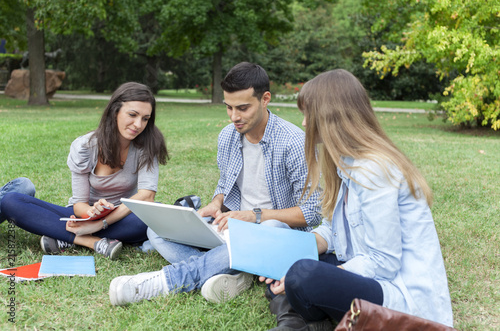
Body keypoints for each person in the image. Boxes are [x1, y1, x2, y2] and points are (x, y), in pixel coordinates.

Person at [108, 62, 323, 310]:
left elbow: (312, 213)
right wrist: (216, 203)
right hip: (234, 229)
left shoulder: (295, 142)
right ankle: (237, 270)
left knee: (270, 227)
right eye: (229, 107)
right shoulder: (227, 136)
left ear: (265, 99)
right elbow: (225, 183)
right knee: (156, 232)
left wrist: (254, 216)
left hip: (274, 231)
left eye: (243, 108)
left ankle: (167, 281)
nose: (234, 117)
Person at [260, 69, 454, 329]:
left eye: (308, 114)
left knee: (302, 275)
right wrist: (294, 249)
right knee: (284, 251)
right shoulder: (345, 163)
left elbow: (384, 262)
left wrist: (322, 273)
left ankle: (296, 314)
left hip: (397, 294)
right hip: (364, 268)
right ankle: (305, 321)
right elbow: (334, 231)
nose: (304, 123)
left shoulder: (374, 169)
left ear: (330, 115)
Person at [1, 82, 168, 260]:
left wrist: (100, 224)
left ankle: (66, 238)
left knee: (152, 216)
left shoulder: (148, 146)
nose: (138, 124)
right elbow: (79, 205)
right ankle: (90, 242)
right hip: (82, 217)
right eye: (132, 115)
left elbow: (146, 197)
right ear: (115, 111)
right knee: (11, 200)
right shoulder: (85, 146)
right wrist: (91, 214)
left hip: (123, 216)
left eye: (145, 118)